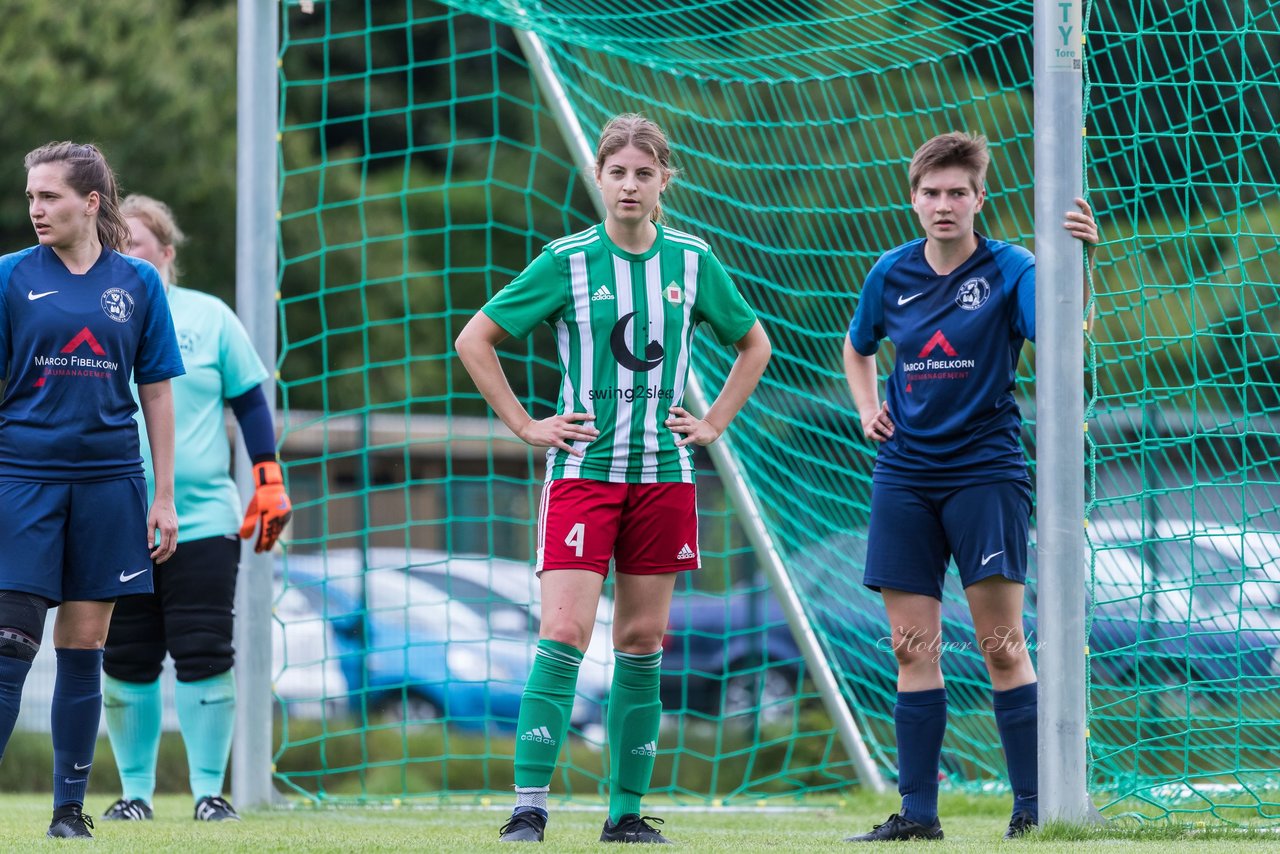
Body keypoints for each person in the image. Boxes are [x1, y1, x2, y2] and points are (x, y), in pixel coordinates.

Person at [456, 113, 771, 844]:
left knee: (641, 641)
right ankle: (528, 806)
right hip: (584, 478)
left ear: (666, 181)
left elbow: (753, 344)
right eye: (618, 172)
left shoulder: (693, 262)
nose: (630, 185)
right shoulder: (565, 261)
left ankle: (625, 814)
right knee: (563, 630)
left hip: (664, 479)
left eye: (644, 173)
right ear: (598, 178)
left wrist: (715, 421)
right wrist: (526, 425)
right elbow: (476, 338)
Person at [840, 132, 1098, 842]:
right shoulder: (888, 273)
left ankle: (1032, 810)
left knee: (1001, 643)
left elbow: (1065, 335)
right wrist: (868, 407)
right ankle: (918, 817)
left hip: (985, 474)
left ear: (980, 199)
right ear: (913, 199)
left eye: (959, 192)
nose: (944, 204)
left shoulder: (1012, 267)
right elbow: (858, 348)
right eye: (932, 192)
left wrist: (1082, 263)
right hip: (905, 476)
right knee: (912, 646)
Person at [0, 142, 184, 840]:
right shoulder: (10, 277)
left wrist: (162, 495)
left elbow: (157, 391)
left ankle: (68, 814)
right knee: (11, 644)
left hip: (110, 483)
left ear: (91, 202)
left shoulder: (137, 283)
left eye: (49, 196)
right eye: (30, 197)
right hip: (22, 478)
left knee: (84, 645)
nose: (36, 209)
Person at [97, 194, 292, 824]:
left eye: (136, 242)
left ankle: (210, 792)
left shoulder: (209, 318)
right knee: (126, 655)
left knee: (204, 649)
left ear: (167, 254)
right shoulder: (94, 317)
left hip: (204, 517)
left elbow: (250, 402)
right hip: (115, 515)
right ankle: (136, 796)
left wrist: (268, 479)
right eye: (114, 242)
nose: (124, 253)